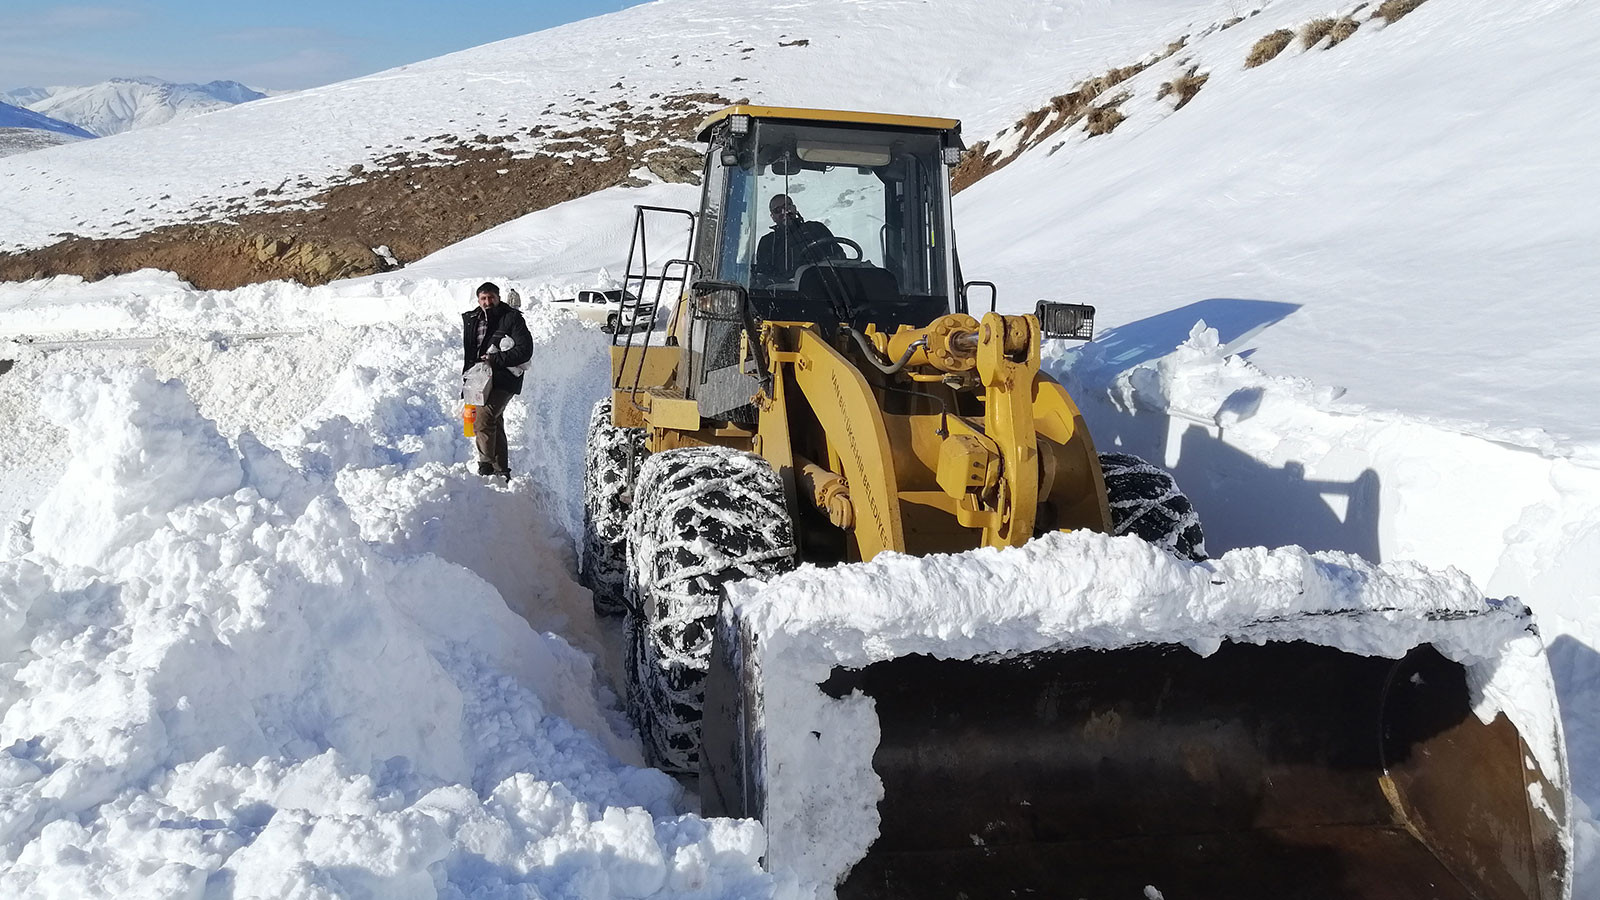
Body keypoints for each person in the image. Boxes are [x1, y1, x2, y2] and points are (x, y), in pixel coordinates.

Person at [461, 281, 533, 479]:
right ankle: (501, 471)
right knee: (495, 422)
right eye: (483, 298)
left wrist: (496, 359)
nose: (487, 302)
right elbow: (470, 355)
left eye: (491, 297)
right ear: (478, 300)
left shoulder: (511, 318)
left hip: (504, 378)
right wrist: (466, 386)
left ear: (498, 297)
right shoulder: (472, 319)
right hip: (479, 379)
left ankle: (485, 466)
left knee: (485, 417)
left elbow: (525, 350)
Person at [754, 194, 843, 281]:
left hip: (823, 285)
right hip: (785, 292)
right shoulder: (767, 242)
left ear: (794, 208)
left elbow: (838, 256)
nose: (784, 212)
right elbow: (764, 274)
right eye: (777, 210)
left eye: (787, 206)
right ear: (773, 217)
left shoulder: (815, 228)